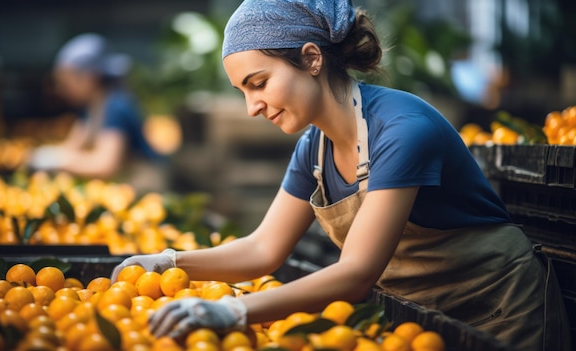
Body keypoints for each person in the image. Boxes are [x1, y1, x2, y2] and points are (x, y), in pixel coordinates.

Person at [110, 1, 571, 350]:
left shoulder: (402, 130)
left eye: (259, 83)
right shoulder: (314, 148)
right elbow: (262, 249)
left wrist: (232, 311)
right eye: (242, 92)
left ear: (312, 59)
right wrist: (169, 263)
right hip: (423, 323)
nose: (252, 107)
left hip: (501, 315)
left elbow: (354, 275)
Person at [29, 33, 171, 192]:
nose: (62, 89)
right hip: (124, 186)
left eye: (66, 81)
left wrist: (58, 161)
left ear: (90, 77)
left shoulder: (116, 106)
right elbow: (73, 146)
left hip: (145, 187)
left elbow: (105, 165)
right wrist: (52, 155)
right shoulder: (90, 108)